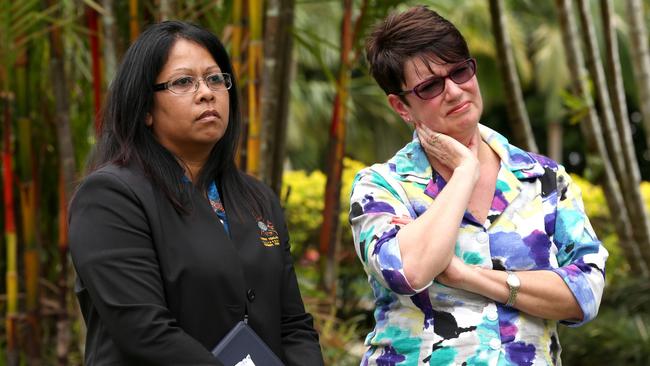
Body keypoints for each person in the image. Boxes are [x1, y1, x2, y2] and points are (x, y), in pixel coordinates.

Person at [349, 6, 608, 365]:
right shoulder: (381, 187)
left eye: (459, 72)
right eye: (430, 87)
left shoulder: (546, 179)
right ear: (401, 106)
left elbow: (585, 294)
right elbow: (409, 271)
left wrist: (468, 276)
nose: (455, 92)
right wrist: (465, 171)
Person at [68, 20, 324, 366]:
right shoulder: (111, 197)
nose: (206, 92)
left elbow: (292, 325)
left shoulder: (257, 198)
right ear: (144, 108)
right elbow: (146, 332)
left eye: (215, 79)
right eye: (183, 82)